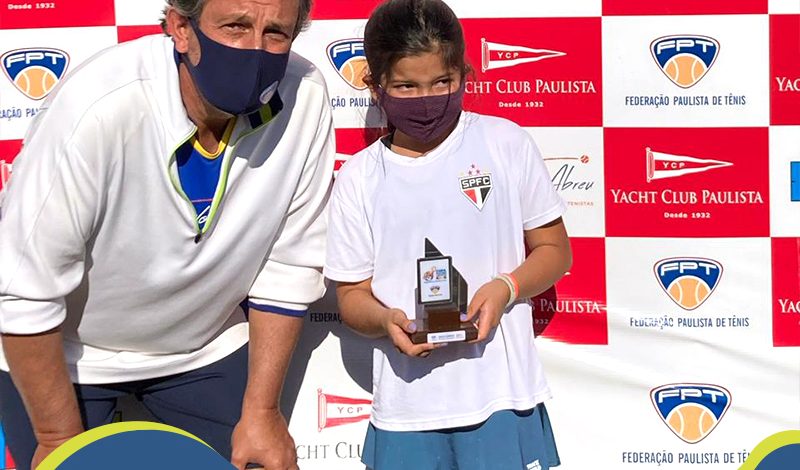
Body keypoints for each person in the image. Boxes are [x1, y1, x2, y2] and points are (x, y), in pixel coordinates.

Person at [0, 0, 334, 468]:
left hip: (202, 350)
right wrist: (59, 441)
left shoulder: (306, 96)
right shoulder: (98, 103)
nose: (255, 49)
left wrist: (262, 412)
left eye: (276, 33)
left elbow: (289, 267)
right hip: (69, 353)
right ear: (180, 27)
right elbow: (23, 292)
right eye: (235, 26)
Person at [323, 0, 572, 468]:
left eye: (443, 82)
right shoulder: (358, 177)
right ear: (375, 87)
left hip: (502, 399)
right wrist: (386, 321)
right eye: (406, 86)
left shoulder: (505, 142)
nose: (426, 98)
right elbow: (351, 297)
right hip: (406, 408)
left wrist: (505, 287)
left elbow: (555, 251)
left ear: (464, 74)